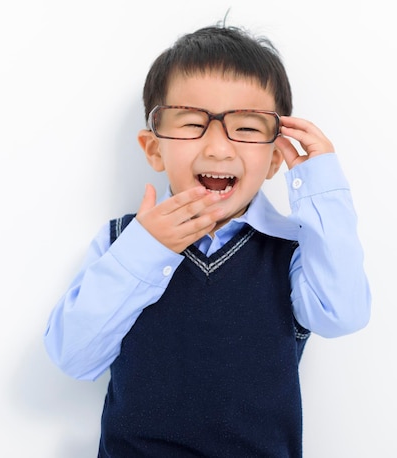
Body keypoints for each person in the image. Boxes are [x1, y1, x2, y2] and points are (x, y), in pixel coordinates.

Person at [44, 22, 371, 457]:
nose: (218, 148)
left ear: (276, 158)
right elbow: (73, 356)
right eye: (194, 123)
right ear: (154, 149)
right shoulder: (123, 241)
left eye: (248, 129)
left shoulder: (294, 251)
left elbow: (342, 313)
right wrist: (148, 249)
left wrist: (320, 184)